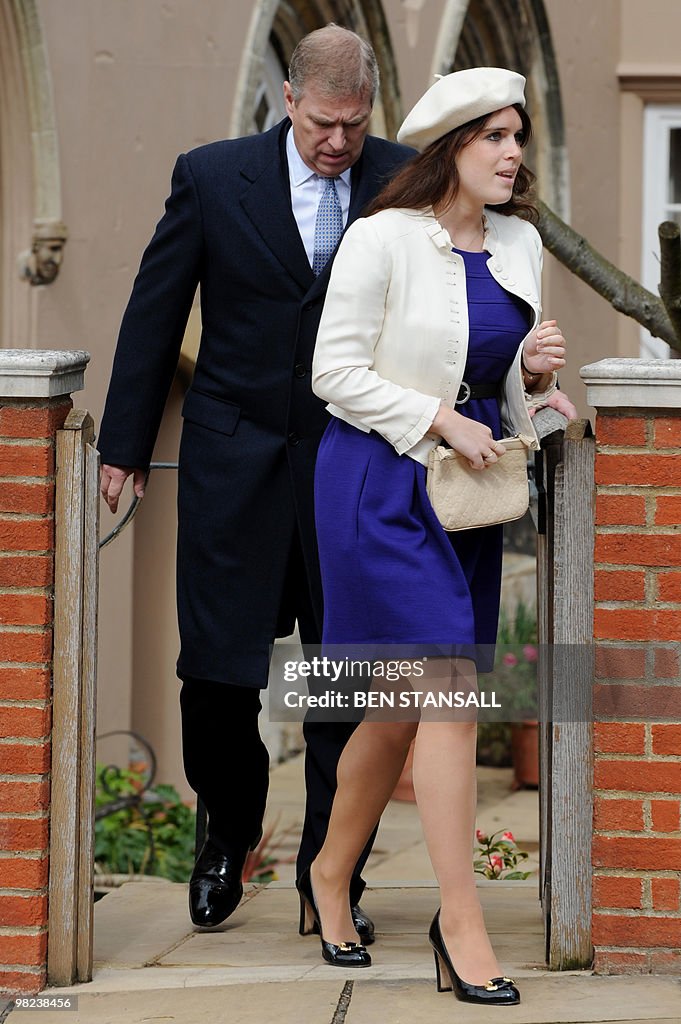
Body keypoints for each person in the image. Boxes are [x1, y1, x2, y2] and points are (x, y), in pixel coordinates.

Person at [97, 25, 413, 932]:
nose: (338, 142)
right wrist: (123, 444)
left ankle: (331, 869)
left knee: (340, 680)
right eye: (322, 122)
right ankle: (226, 829)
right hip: (232, 462)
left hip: (353, 468)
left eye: (354, 125)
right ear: (287, 100)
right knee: (216, 680)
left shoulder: (405, 176)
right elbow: (155, 310)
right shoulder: (209, 174)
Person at [299, 67, 568, 1003]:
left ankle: (330, 872)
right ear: (450, 146)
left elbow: (483, 373)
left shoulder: (522, 243)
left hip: (465, 494)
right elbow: (331, 374)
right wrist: (435, 419)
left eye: (517, 136)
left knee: (408, 700)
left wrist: (528, 379)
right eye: (493, 137)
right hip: (376, 483)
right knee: (449, 689)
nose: (512, 154)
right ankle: (460, 922)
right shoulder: (381, 239)